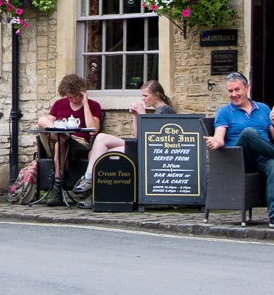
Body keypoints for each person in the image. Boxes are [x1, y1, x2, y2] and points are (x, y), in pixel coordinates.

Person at [206, 72, 274, 230]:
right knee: (248, 133)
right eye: (230, 91)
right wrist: (215, 142)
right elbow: (219, 137)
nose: (234, 94)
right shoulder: (224, 111)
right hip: (240, 159)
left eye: (237, 90)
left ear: (247, 88)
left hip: (262, 157)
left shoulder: (263, 109)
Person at [71, 80, 174, 197]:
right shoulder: (158, 110)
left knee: (101, 150)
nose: (143, 99)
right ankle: (93, 189)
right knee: (99, 146)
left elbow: (149, 137)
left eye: (146, 95)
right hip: (141, 146)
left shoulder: (164, 110)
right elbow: (138, 136)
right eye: (142, 96)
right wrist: (136, 115)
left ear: (157, 96)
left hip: (148, 151)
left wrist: (142, 114)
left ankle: (91, 185)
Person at [35, 74, 103, 204]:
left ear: (82, 93)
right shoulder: (59, 104)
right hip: (57, 139)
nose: (73, 100)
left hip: (79, 144)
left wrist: (85, 104)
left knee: (59, 145)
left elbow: (93, 130)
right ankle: (66, 139)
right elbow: (47, 124)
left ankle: (57, 187)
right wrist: (61, 129)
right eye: (69, 97)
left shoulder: (93, 106)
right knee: (42, 121)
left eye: (76, 96)